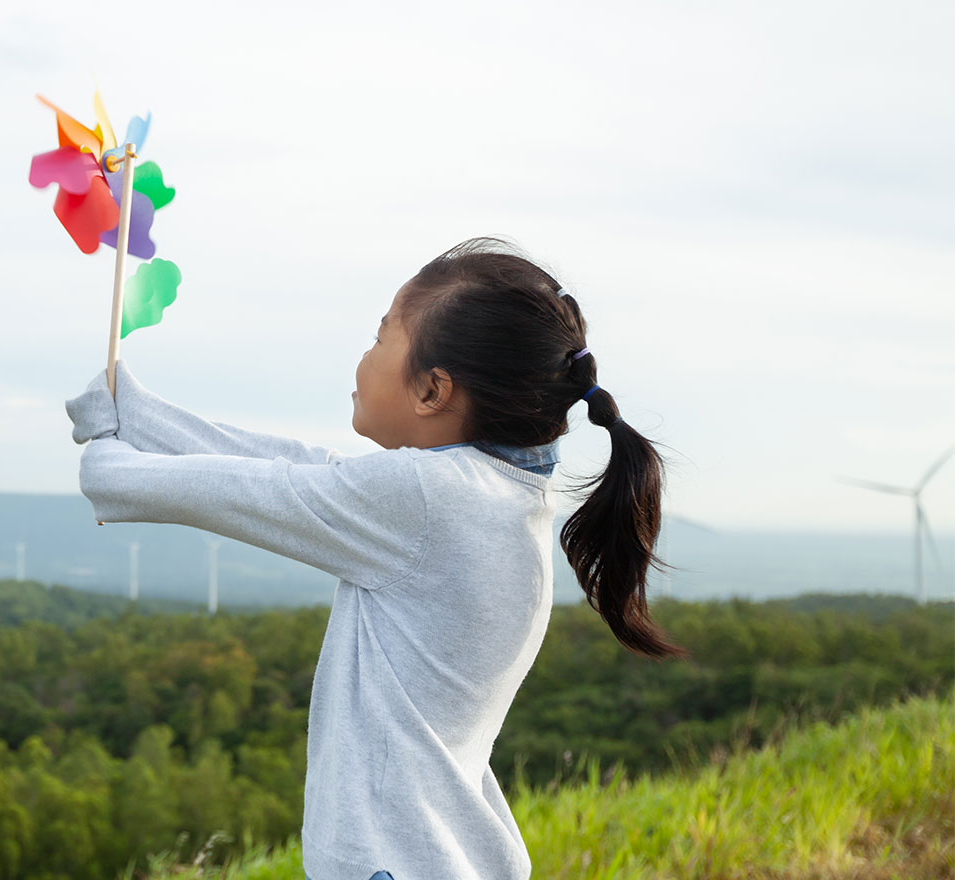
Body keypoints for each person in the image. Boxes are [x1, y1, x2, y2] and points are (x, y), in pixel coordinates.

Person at [65, 235, 687, 880]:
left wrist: (111, 456)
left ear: (432, 390)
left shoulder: (426, 500)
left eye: (379, 337)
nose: (363, 358)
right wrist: (137, 416)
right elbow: (301, 472)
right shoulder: (496, 495)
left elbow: (228, 489)